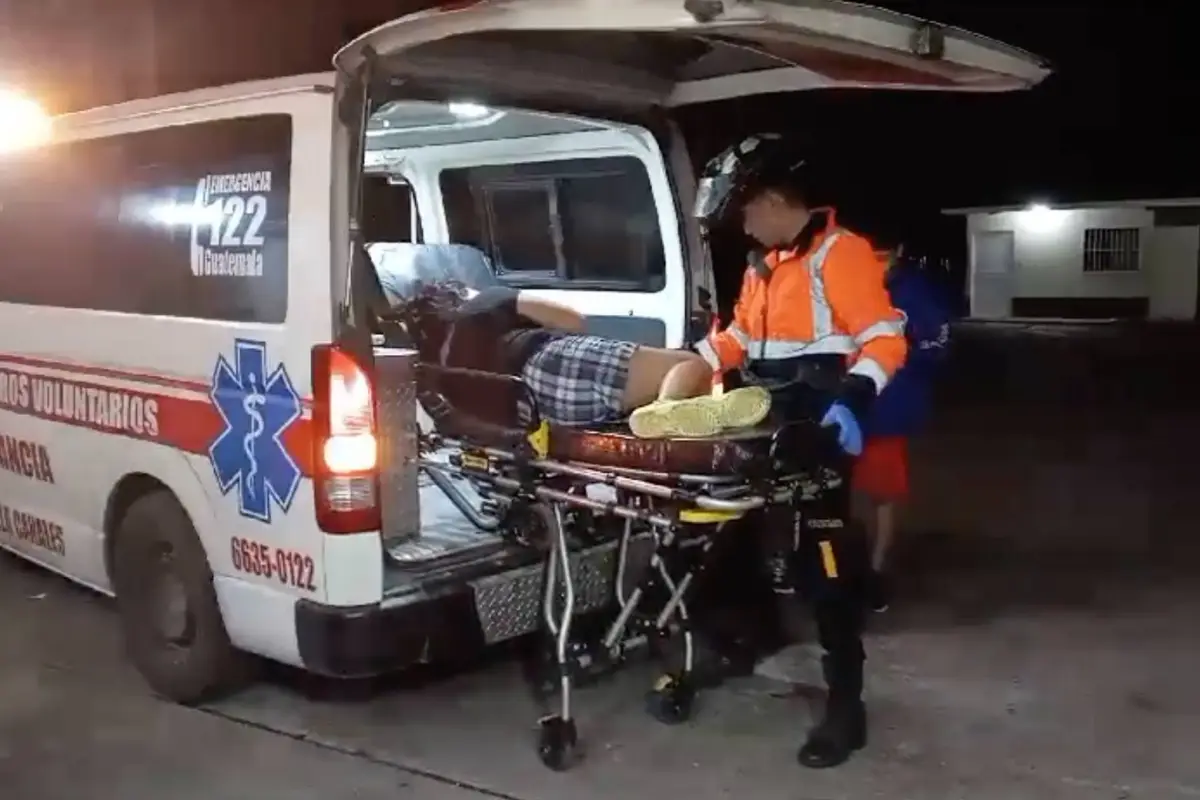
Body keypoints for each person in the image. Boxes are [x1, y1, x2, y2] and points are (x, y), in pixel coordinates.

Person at [692, 132, 908, 769]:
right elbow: (736, 339)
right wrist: (685, 365)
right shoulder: (762, 266)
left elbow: (886, 340)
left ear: (774, 199)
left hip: (820, 431)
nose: (744, 226)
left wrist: (853, 402)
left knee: (824, 567)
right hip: (763, 429)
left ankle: (847, 706)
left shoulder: (841, 255)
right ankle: (747, 641)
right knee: (729, 545)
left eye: (746, 211)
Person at [396, 280, 771, 437]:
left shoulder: (440, 374)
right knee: (691, 365)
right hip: (548, 360)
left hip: (541, 414)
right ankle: (668, 408)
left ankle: (674, 412)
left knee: (642, 402)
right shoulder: (483, 303)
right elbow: (572, 320)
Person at [856, 244, 952, 612]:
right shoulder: (844, 281)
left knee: (881, 495)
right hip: (838, 406)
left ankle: (875, 573)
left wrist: (901, 355)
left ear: (896, 251)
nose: (875, 261)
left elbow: (938, 344)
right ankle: (832, 568)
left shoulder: (912, 290)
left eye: (881, 253)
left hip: (887, 410)